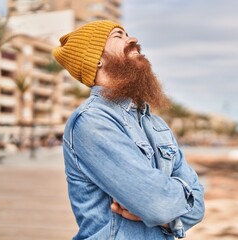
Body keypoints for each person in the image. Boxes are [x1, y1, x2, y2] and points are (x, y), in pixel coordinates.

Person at [53, 20, 205, 240]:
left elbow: (199, 206)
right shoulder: (93, 121)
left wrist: (163, 213)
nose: (133, 40)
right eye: (118, 36)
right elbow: (157, 204)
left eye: (128, 34)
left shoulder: (156, 125)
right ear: (96, 60)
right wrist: (167, 206)